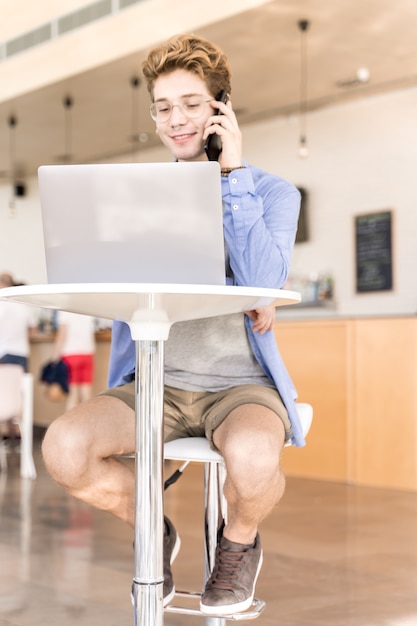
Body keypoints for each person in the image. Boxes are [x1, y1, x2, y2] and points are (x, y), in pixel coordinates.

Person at [41, 33, 304, 617]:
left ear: (221, 107)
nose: (176, 120)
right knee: (64, 449)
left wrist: (230, 174)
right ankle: (151, 530)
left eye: (191, 103)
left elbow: (264, 279)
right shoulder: (139, 197)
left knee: (256, 458)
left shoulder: (270, 192)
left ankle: (236, 546)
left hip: (239, 384)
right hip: (154, 380)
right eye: (163, 107)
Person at [52, 311, 96, 411]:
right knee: (87, 397)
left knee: (73, 396)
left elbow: (62, 336)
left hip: (70, 355)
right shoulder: (87, 308)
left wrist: (55, 358)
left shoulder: (64, 310)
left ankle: (72, 426)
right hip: (88, 354)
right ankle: (88, 426)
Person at [0, 272, 36, 372]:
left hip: (3, 352)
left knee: (4, 386)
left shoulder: (1, 303)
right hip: (22, 353)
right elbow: (33, 330)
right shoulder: (24, 304)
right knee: (20, 386)